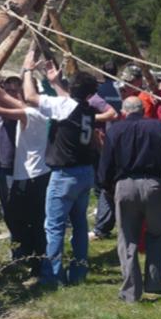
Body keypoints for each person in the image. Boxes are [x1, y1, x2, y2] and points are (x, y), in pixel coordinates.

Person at [23, 59, 99, 286]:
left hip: (65, 174)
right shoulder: (87, 109)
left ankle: (52, 276)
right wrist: (55, 82)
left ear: (72, 87)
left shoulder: (65, 106)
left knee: (54, 226)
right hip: (85, 171)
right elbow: (68, 101)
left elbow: (30, 97)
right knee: (80, 224)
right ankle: (78, 272)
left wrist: (27, 70)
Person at [98, 96, 161, 302]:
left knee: (127, 238)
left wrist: (106, 187)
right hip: (154, 185)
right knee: (157, 234)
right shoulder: (158, 127)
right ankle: (155, 283)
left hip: (125, 185)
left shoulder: (115, 130)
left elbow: (106, 163)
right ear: (143, 110)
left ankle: (130, 292)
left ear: (123, 112)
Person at [0, 64, 50, 277]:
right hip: (34, 174)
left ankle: (34, 259)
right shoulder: (37, 111)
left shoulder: (31, 113)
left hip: (31, 175)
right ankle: (33, 258)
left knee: (23, 218)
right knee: (25, 218)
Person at [0, 76, 22, 229]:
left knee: (14, 206)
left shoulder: (19, 110)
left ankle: (18, 237)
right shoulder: (0, 104)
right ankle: (15, 236)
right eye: (7, 90)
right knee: (6, 205)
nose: (10, 94)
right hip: (1, 163)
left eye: (14, 91)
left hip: (14, 164)